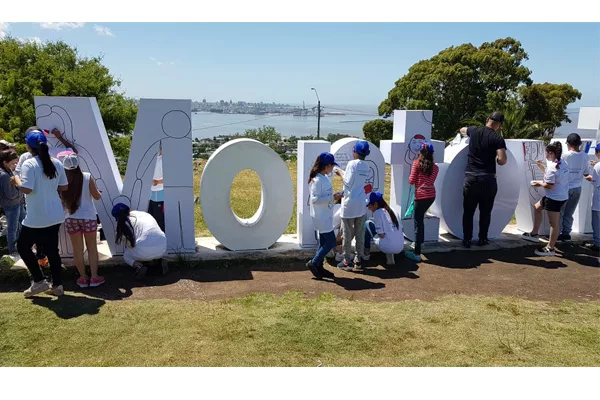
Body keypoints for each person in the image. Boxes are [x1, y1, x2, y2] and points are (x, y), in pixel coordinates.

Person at [13, 129, 68, 297]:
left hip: (36, 217)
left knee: (22, 246)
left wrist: (15, 180)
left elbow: (27, 189)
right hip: (55, 215)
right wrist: (49, 187)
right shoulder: (56, 163)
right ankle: (57, 286)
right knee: (52, 251)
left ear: (29, 147)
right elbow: (64, 186)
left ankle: (39, 281)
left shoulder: (29, 164)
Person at [459, 111, 508, 248]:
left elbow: (462, 130)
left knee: (468, 211)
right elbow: (502, 160)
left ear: (487, 119)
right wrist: (497, 160)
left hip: (471, 176)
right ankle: (482, 239)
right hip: (488, 178)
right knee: (485, 212)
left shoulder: (474, 131)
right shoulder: (497, 138)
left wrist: (464, 132)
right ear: (499, 125)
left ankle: (467, 239)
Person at [59, 152, 104, 288]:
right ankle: (95, 277)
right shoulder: (87, 177)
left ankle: (83, 278)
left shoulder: (62, 180)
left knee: (77, 250)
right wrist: (98, 192)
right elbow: (97, 197)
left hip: (71, 218)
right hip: (88, 217)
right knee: (92, 248)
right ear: (78, 164)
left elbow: (61, 201)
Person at [522, 142, 569, 256]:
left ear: (551, 153)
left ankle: (550, 248)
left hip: (554, 197)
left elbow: (549, 185)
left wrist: (538, 183)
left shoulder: (553, 167)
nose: (545, 155)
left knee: (554, 223)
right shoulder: (562, 163)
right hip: (560, 195)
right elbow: (554, 177)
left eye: (547, 152)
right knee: (537, 207)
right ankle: (534, 233)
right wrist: (542, 168)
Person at [336, 140, 371, 271]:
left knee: (347, 232)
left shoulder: (351, 164)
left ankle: (346, 260)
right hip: (361, 203)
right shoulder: (366, 166)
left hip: (349, 203)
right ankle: (358, 259)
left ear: (355, 152)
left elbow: (348, 183)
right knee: (360, 232)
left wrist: (340, 172)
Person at [305, 152, 341, 280]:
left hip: (324, 215)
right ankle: (314, 262)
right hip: (321, 216)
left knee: (324, 242)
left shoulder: (322, 178)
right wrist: (332, 197)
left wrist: (334, 197)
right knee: (331, 242)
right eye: (332, 166)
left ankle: (319, 265)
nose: (332, 169)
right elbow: (315, 199)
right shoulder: (318, 179)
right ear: (327, 166)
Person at [111, 203, 167, 278]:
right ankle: (159, 261)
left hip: (144, 249)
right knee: (148, 246)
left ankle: (139, 266)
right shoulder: (144, 214)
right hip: (163, 246)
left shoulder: (126, 223)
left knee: (126, 255)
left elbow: (130, 245)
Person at [405, 141, 439, 262]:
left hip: (420, 195)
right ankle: (419, 243)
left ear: (421, 152)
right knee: (420, 221)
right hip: (431, 195)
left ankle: (417, 252)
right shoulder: (436, 167)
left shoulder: (416, 164)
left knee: (418, 223)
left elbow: (411, 180)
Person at [558, 133, 592, 241]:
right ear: (579, 144)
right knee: (569, 213)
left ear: (568, 144)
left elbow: (558, 170)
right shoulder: (585, 156)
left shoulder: (565, 156)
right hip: (577, 187)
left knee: (560, 212)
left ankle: (557, 233)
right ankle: (566, 233)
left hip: (564, 187)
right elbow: (586, 174)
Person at [364, 192, 404, 266]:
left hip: (387, 246)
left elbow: (381, 235)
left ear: (375, 204)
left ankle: (366, 253)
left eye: (369, 206)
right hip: (400, 246)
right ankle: (390, 256)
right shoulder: (393, 210)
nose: (369, 209)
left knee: (367, 223)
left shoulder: (377, 213)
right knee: (389, 235)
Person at [0, 150, 25, 262]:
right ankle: (13, 250)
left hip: (18, 203)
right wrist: (19, 187)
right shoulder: (4, 175)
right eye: (13, 163)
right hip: (11, 205)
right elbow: (11, 194)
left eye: (16, 163)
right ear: (5, 162)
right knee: (12, 228)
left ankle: (23, 245)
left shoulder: (9, 171)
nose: (15, 165)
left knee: (23, 224)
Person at [148, 145, 165, 232]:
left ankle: (162, 239)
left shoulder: (165, 159)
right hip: (150, 193)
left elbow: (172, 177)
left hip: (160, 192)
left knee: (159, 219)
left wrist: (158, 182)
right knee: (152, 218)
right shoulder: (153, 158)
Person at [587, 144, 600, 252]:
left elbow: (595, 182)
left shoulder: (597, 166)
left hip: (598, 200)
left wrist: (588, 176)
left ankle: (597, 243)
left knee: (596, 222)